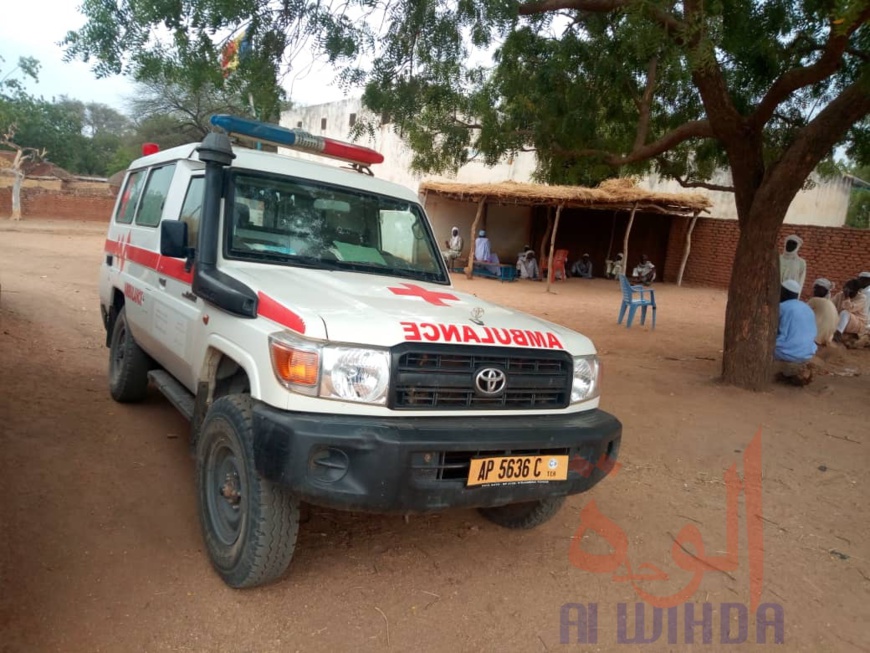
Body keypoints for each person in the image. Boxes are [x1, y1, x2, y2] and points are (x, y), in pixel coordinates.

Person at [775, 279, 817, 385]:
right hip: (808, 353)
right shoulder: (807, 308)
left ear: (783, 292)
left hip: (788, 353)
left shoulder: (781, 307)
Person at [806, 278, 838, 346]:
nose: (815, 291)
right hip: (828, 338)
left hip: (816, 337)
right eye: (815, 288)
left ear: (826, 291)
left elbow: (802, 312)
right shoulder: (831, 303)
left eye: (818, 289)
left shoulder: (815, 300)